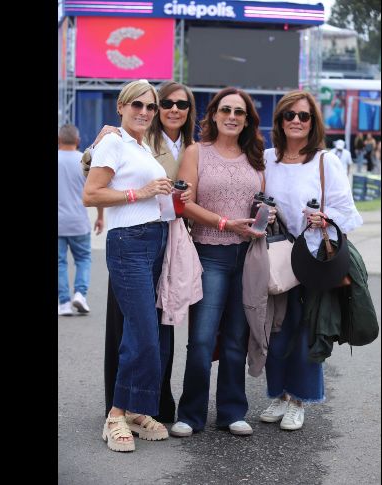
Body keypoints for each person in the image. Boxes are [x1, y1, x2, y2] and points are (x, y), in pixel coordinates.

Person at [81, 82, 197, 425]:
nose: (145, 111)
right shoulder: (114, 141)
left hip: (157, 240)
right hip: (128, 242)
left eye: (150, 106)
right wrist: (142, 192)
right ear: (121, 106)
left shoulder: (142, 146)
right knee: (142, 333)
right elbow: (91, 194)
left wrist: (171, 196)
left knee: (148, 335)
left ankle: (137, 410)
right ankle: (116, 415)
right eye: (137, 105)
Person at [258, 90, 363, 431]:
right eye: (289, 115)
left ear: (313, 122)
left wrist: (323, 217)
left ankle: (299, 398)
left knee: (306, 328)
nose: (296, 122)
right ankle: (278, 394)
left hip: (312, 258)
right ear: (279, 121)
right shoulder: (267, 158)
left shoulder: (324, 161)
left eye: (303, 116)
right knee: (274, 327)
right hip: (275, 254)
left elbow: (347, 213)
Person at [170, 87, 267, 438]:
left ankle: (231, 411)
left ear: (247, 120)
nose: (232, 116)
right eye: (225, 110)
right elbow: (184, 203)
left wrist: (264, 218)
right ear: (212, 114)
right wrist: (224, 223)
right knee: (201, 338)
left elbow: (262, 200)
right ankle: (191, 414)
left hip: (248, 256)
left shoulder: (255, 157)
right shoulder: (197, 153)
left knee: (236, 338)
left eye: (239, 112)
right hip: (209, 252)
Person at [58, 124, 103, 316]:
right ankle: (80, 294)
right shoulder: (84, 162)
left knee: (60, 263)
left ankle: (64, 303)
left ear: (59, 140)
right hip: (79, 222)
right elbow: (96, 190)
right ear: (77, 141)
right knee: (83, 259)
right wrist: (100, 216)